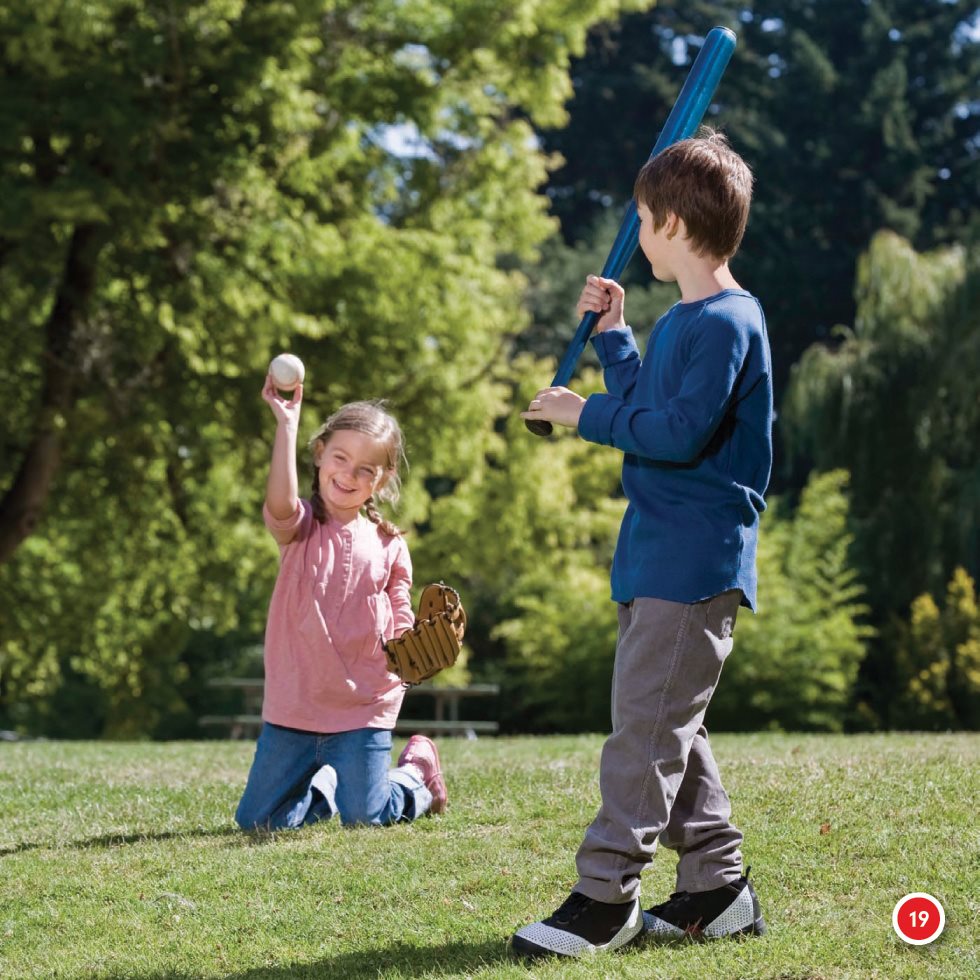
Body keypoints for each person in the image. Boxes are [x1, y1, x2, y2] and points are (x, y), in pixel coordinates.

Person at [513, 130, 772, 957]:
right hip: (656, 555)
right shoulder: (689, 321)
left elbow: (681, 433)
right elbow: (651, 414)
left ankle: (604, 897)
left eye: (641, 218)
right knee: (665, 725)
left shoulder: (731, 321)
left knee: (644, 738)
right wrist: (615, 340)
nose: (637, 231)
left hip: (693, 562)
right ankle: (717, 889)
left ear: (667, 224)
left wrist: (579, 412)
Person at [234, 382, 446, 830]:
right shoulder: (301, 528)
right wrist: (286, 425)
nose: (349, 475)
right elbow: (279, 502)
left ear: (383, 480)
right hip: (295, 706)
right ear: (319, 454)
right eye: (340, 458)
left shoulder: (390, 544)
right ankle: (326, 788)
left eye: (366, 469)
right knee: (256, 822)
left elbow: (402, 615)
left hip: (363, 707)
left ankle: (416, 777)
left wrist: (409, 649)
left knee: (366, 818)